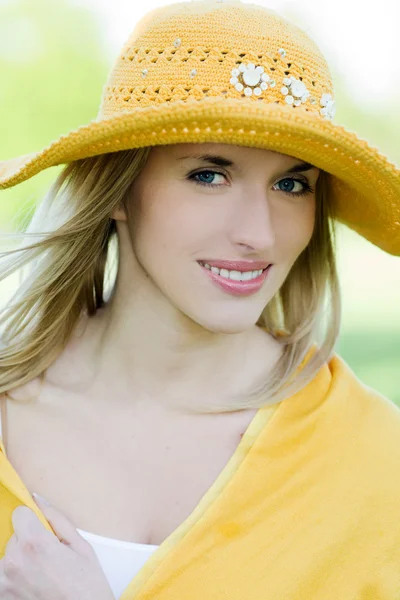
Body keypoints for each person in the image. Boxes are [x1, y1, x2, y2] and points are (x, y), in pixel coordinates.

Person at [0, 0, 399, 598]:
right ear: (116, 188)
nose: (259, 234)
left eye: (292, 184)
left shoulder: (375, 459)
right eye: (209, 174)